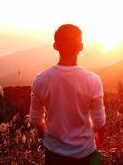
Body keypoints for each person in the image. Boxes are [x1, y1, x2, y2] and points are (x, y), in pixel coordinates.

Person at [30, 24, 106, 165]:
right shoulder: (93, 80)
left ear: (55, 46)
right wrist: (97, 138)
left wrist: (45, 131)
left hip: (53, 153)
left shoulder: (41, 80)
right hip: (84, 153)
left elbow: (35, 119)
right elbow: (99, 122)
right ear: (81, 46)